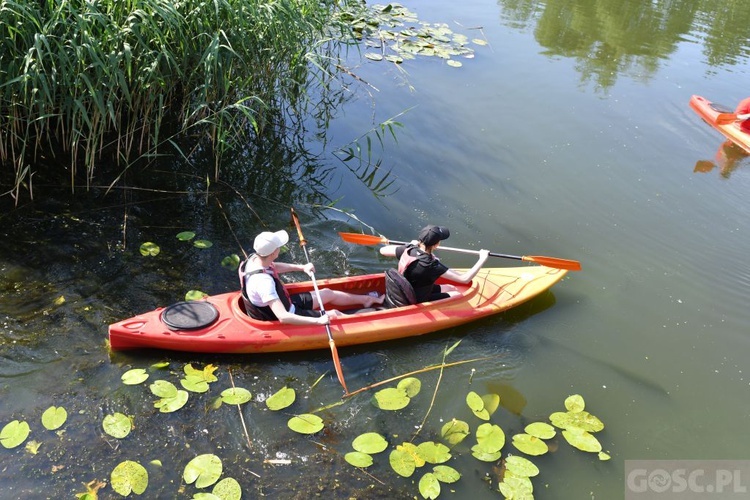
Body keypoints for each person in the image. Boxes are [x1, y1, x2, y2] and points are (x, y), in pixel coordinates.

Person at [240, 229, 383, 324]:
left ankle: (367, 300)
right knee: (334, 314)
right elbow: (283, 317)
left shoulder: (255, 258)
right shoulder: (264, 283)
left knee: (327, 293)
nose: (280, 248)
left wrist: (301, 267)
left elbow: (274, 266)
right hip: (287, 313)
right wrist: (318, 321)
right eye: (278, 247)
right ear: (273, 253)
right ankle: (367, 324)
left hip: (287, 302)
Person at [379, 225, 490, 303]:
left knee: (450, 287)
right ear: (436, 245)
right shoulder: (432, 265)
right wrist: (482, 258)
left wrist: (409, 245)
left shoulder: (408, 249)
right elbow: (464, 279)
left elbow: (383, 251)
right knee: (457, 295)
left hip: (406, 288)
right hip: (416, 298)